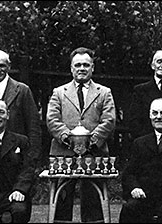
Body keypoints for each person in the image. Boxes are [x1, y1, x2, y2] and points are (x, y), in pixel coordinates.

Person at [46, 47, 116, 222]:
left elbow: (109, 120)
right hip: (64, 153)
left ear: (92, 67)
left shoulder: (104, 92)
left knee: (93, 200)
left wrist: (90, 142)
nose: (82, 68)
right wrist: (69, 139)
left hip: (94, 154)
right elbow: (52, 120)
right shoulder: (59, 92)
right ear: (71, 68)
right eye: (78, 65)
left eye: (86, 64)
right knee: (61, 199)